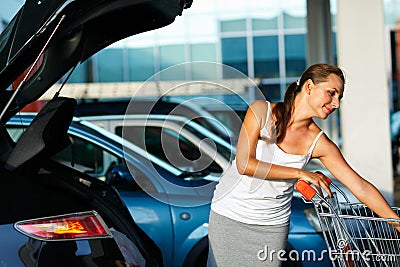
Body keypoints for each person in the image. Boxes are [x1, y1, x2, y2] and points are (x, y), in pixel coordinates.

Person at [206, 63, 400, 267]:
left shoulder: (319, 142)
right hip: (230, 215)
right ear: (309, 87)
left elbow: (360, 186)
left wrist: (396, 223)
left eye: (339, 98)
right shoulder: (260, 111)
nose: (336, 104)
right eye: (331, 93)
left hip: (272, 225)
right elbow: (245, 164)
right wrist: (301, 173)